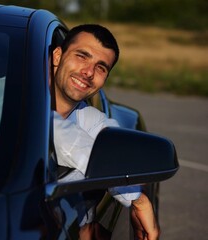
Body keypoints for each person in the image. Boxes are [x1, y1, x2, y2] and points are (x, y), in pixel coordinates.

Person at [50, 24, 159, 240]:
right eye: (82, 56)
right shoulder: (9, 94)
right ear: (57, 56)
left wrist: (137, 193)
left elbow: (120, 157)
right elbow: (50, 128)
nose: (88, 72)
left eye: (101, 68)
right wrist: (137, 199)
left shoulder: (90, 118)